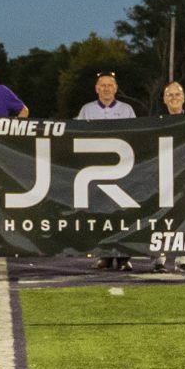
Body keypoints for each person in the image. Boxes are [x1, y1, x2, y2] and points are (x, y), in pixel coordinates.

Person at [77, 71, 137, 269]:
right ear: (96, 88)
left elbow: (138, 133)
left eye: (109, 85)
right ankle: (104, 255)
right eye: (102, 85)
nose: (106, 88)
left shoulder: (127, 109)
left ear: (116, 88)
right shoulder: (86, 110)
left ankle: (123, 257)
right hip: (95, 167)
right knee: (101, 213)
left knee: (123, 213)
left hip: (122, 167)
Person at [149, 80, 185, 273]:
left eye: (177, 94)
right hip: (163, 176)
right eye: (169, 95)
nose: (173, 98)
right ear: (164, 99)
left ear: (183, 98)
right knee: (162, 217)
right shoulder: (157, 122)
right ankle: (159, 258)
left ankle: (183, 258)